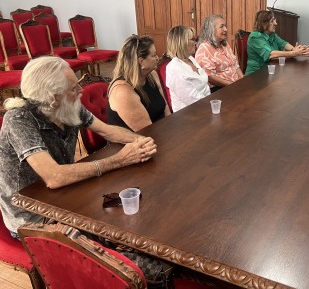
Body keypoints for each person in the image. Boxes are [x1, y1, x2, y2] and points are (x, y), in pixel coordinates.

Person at [0, 56, 157, 236]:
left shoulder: (67, 104)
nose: (81, 90)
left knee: (135, 217)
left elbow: (108, 131)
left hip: (65, 197)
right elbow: (54, 177)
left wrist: (140, 142)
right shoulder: (19, 119)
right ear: (53, 97)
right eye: (74, 88)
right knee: (118, 233)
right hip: (33, 218)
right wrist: (121, 159)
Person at [107, 35, 170, 131]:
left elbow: (165, 107)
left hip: (159, 132)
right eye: (154, 55)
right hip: (134, 142)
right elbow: (146, 131)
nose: (158, 58)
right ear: (141, 62)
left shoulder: (152, 74)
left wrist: (171, 127)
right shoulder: (122, 92)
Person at [245, 10, 309, 75]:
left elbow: (283, 43)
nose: (276, 23)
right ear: (264, 24)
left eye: (274, 20)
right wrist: (294, 53)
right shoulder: (255, 37)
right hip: (256, 74)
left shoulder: (271, 34)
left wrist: (296, 49)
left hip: (270, 71)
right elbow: (270, 54)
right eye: (272, 21)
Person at [164, 26, 210, 112]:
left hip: (204, 107)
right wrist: (212, 104)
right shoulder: (174, 68)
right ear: (182, 42)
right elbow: (192, 99)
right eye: (192, 39)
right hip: (188, 116)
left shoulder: (191, 59)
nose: (196, 43)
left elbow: (204, 87)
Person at [195, 14, 243, 91]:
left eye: (225, 26)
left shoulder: (225, 44)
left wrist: (242, 79)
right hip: (219, 89)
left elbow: (235, 65)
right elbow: (209, 76)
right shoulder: (204, 49)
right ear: (211, 30)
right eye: (222, 27)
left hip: (234, 84)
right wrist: (231, 85)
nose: (226, 29)